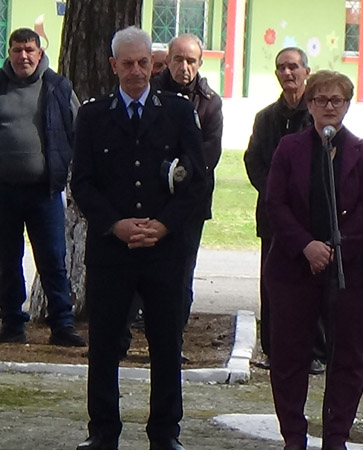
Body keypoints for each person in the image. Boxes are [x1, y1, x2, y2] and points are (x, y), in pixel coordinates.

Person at [70, 26, 205, 450]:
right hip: (112, 251)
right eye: (127, 63)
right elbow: (83, 183)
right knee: (104, 346)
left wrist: (164, 225)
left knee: (166, 345)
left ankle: (165, 433)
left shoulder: (178, 113)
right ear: (114, 65)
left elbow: (197, 182)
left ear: (152, 64)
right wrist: (115, 225)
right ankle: (102, 432)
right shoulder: (93, 116)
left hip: (164, 251)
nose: (136, 71)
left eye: (143, 62)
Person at [264, 70, 363, 450]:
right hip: (293, 267)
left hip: (348, 271)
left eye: (337, 100)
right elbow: (275, 204)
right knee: (289, 356)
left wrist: (333, 248)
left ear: (347, 105)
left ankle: (336, 437)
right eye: (321, 100)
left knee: (347, 356)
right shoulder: (289, 148)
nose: (329, 107)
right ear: (309, 104)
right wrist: (307, 246)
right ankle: (293, 437)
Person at [0, 27, 85, 347]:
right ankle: (12, 323)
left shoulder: (58, 86)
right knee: (7, 261)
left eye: (29, 50)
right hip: (4, 192)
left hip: (45, 191)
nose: (23, 56)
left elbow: (78, 130)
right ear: (9, 53)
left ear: (39, 53)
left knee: (52, 260)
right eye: (17, 50)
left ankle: (62, 325)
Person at [243, 47, 325, 374]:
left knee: (312, 285)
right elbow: (254, 161)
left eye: (293, 67)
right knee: (273, 284)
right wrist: (276, 194)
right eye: (281, 68)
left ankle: (315, 351)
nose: (287, 73)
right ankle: (274, 350)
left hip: (311, 219)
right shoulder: (266, 118)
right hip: (274, 218)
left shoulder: (318, 116)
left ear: (306, 72)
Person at [152, 32, 223, 335]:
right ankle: (123, 341)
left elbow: (209, 152)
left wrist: (178, 172)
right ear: (167, 60)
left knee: (181, 275)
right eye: (178, 59)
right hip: (150, 196)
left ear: (200, 63)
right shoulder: (149, 94)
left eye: (191, 61)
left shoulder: (210, 103)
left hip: (191, 201)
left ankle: (173, 339)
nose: (184, 67)